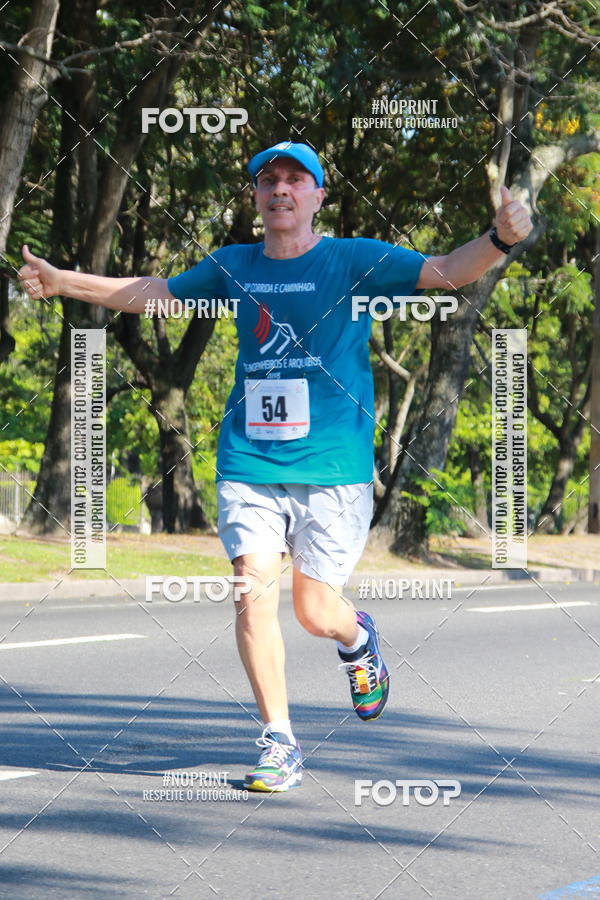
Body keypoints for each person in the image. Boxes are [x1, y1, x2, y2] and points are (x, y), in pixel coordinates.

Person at [18, 140, 533, 793]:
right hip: (249, 458)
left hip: (333, 464)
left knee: (315, 611)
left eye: (296, 180)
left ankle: (356, 638)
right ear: (257, 197)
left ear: (318, 196)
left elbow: (447, 271)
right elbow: (156, 294)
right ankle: (279, 741)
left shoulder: (353, 259)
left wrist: (500, 238)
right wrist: (66, 281)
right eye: (268, 180)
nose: (281, 190)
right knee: (250, 589)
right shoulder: (233, 265)